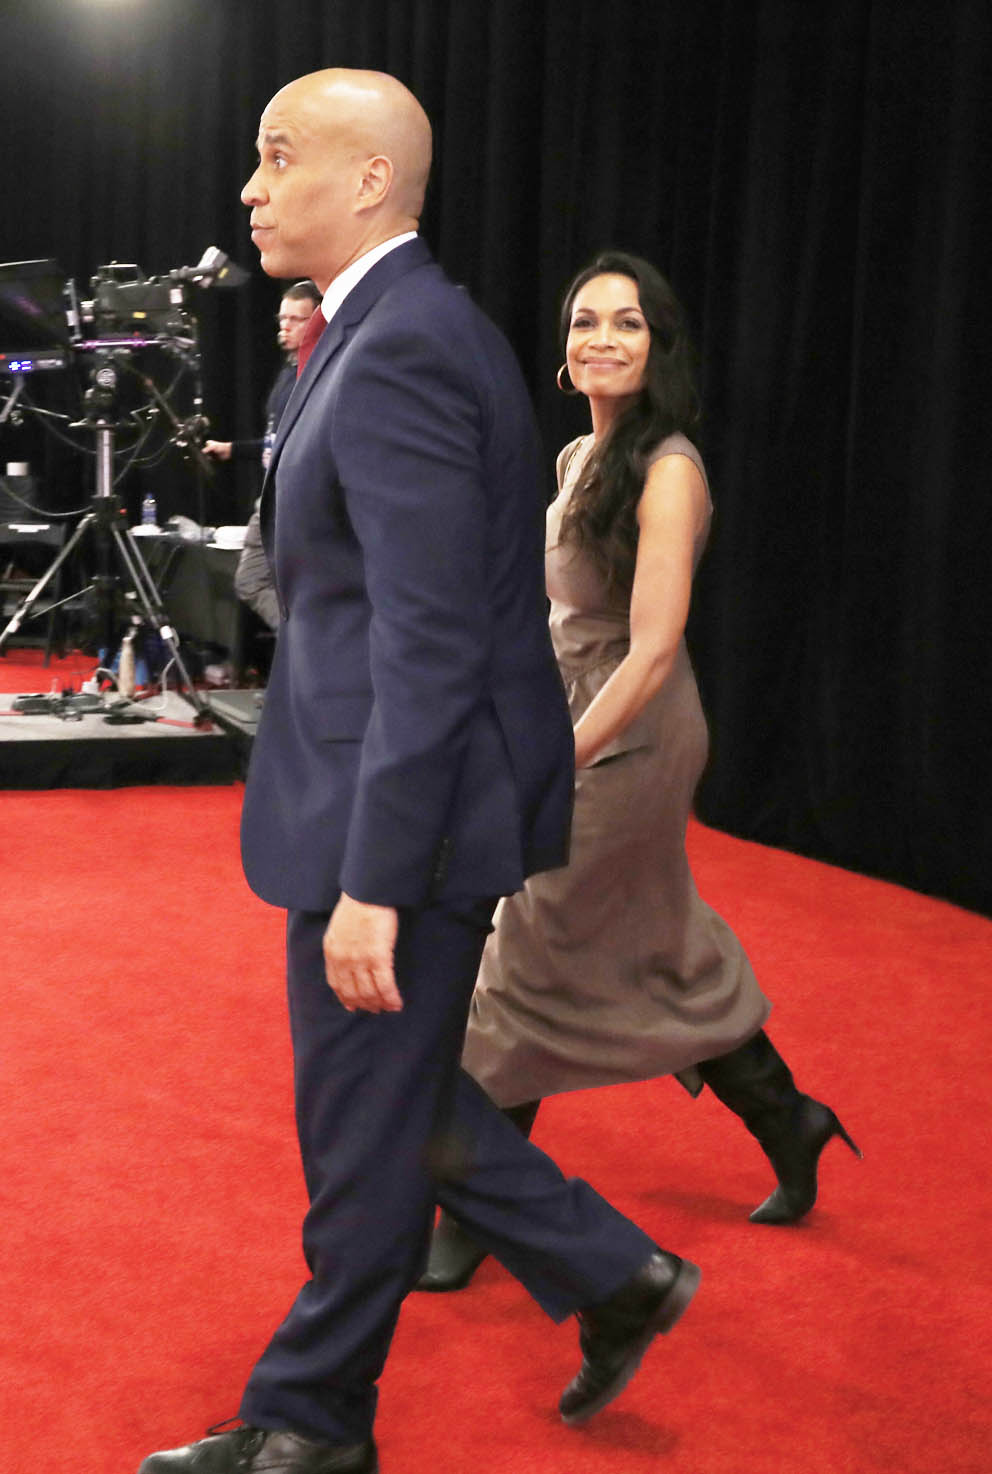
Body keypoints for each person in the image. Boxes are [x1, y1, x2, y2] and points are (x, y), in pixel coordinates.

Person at [137, 73, 703, 1474]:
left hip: (405, 816)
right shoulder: (368, 331)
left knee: (359, 1121)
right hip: (382, 788)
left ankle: (315, 1415)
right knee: (381, 1097)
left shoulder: (404, 346)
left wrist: (376, 882)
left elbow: (430, 642)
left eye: (279, 159)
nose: (252, 188)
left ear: (373, 180)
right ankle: (612, 1268)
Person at [419, 251, 862, 1294]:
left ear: (658, 345)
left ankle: (473, 1204)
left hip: (631, 737)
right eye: (584, 323)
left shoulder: (670, 469)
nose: (601, 339)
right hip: (570, 716)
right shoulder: (580, 458)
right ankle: (788, 1117)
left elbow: (651, 648)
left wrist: (548, 761)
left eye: (626, 323)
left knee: (518, 952)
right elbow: (553, 615)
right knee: (657, 945)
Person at [205, 280, 322, 631]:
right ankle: (304, 646)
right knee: (256, 580)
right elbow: (277, 439)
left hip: (296, 497)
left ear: (317, 320)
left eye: (296, 319)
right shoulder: (289, 370)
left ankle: (307, 648)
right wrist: (233, 450)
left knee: (272, 582)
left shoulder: (319, 371)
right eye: (282, 318)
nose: (284, 326)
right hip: (274, 494)